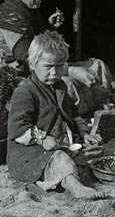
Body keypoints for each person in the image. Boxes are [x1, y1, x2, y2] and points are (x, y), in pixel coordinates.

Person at [7, 31, 106, 200]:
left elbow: (73, 113)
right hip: (28, 153)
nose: (54, 72)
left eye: (60, 66)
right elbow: (18, 129)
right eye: (48, 67)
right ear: (33, 64)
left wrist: (84, 134)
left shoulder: (60, 86)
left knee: (91, 153)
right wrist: (41, 138)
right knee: (60, 159)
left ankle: (66, 176)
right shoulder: (25, 92)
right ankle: (76, 187)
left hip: (56, 144)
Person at [0, 0, 99, 92]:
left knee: (97, 66)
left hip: (41, 69)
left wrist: (51, 28)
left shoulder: (28, 11)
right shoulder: (10, 16)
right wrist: (70, 70)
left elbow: (38, 45)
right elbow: (28, 58)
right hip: (13, 77)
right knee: (68, 85)